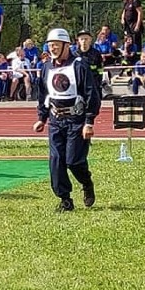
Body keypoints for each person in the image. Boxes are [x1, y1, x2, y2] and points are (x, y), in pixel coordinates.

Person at [32, 28, 101, 212]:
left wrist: (89, 121)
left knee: (74, 161)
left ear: (66, 45)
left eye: (56, 45)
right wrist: (42, 117)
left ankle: (86, 182)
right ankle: (65, 199)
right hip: (56, 120)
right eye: (50, 45)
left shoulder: (79, 65)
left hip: (76, 120)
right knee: (56, 160)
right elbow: (43, 93)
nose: (53, 48)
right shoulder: (46, 66)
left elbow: (90, 93)